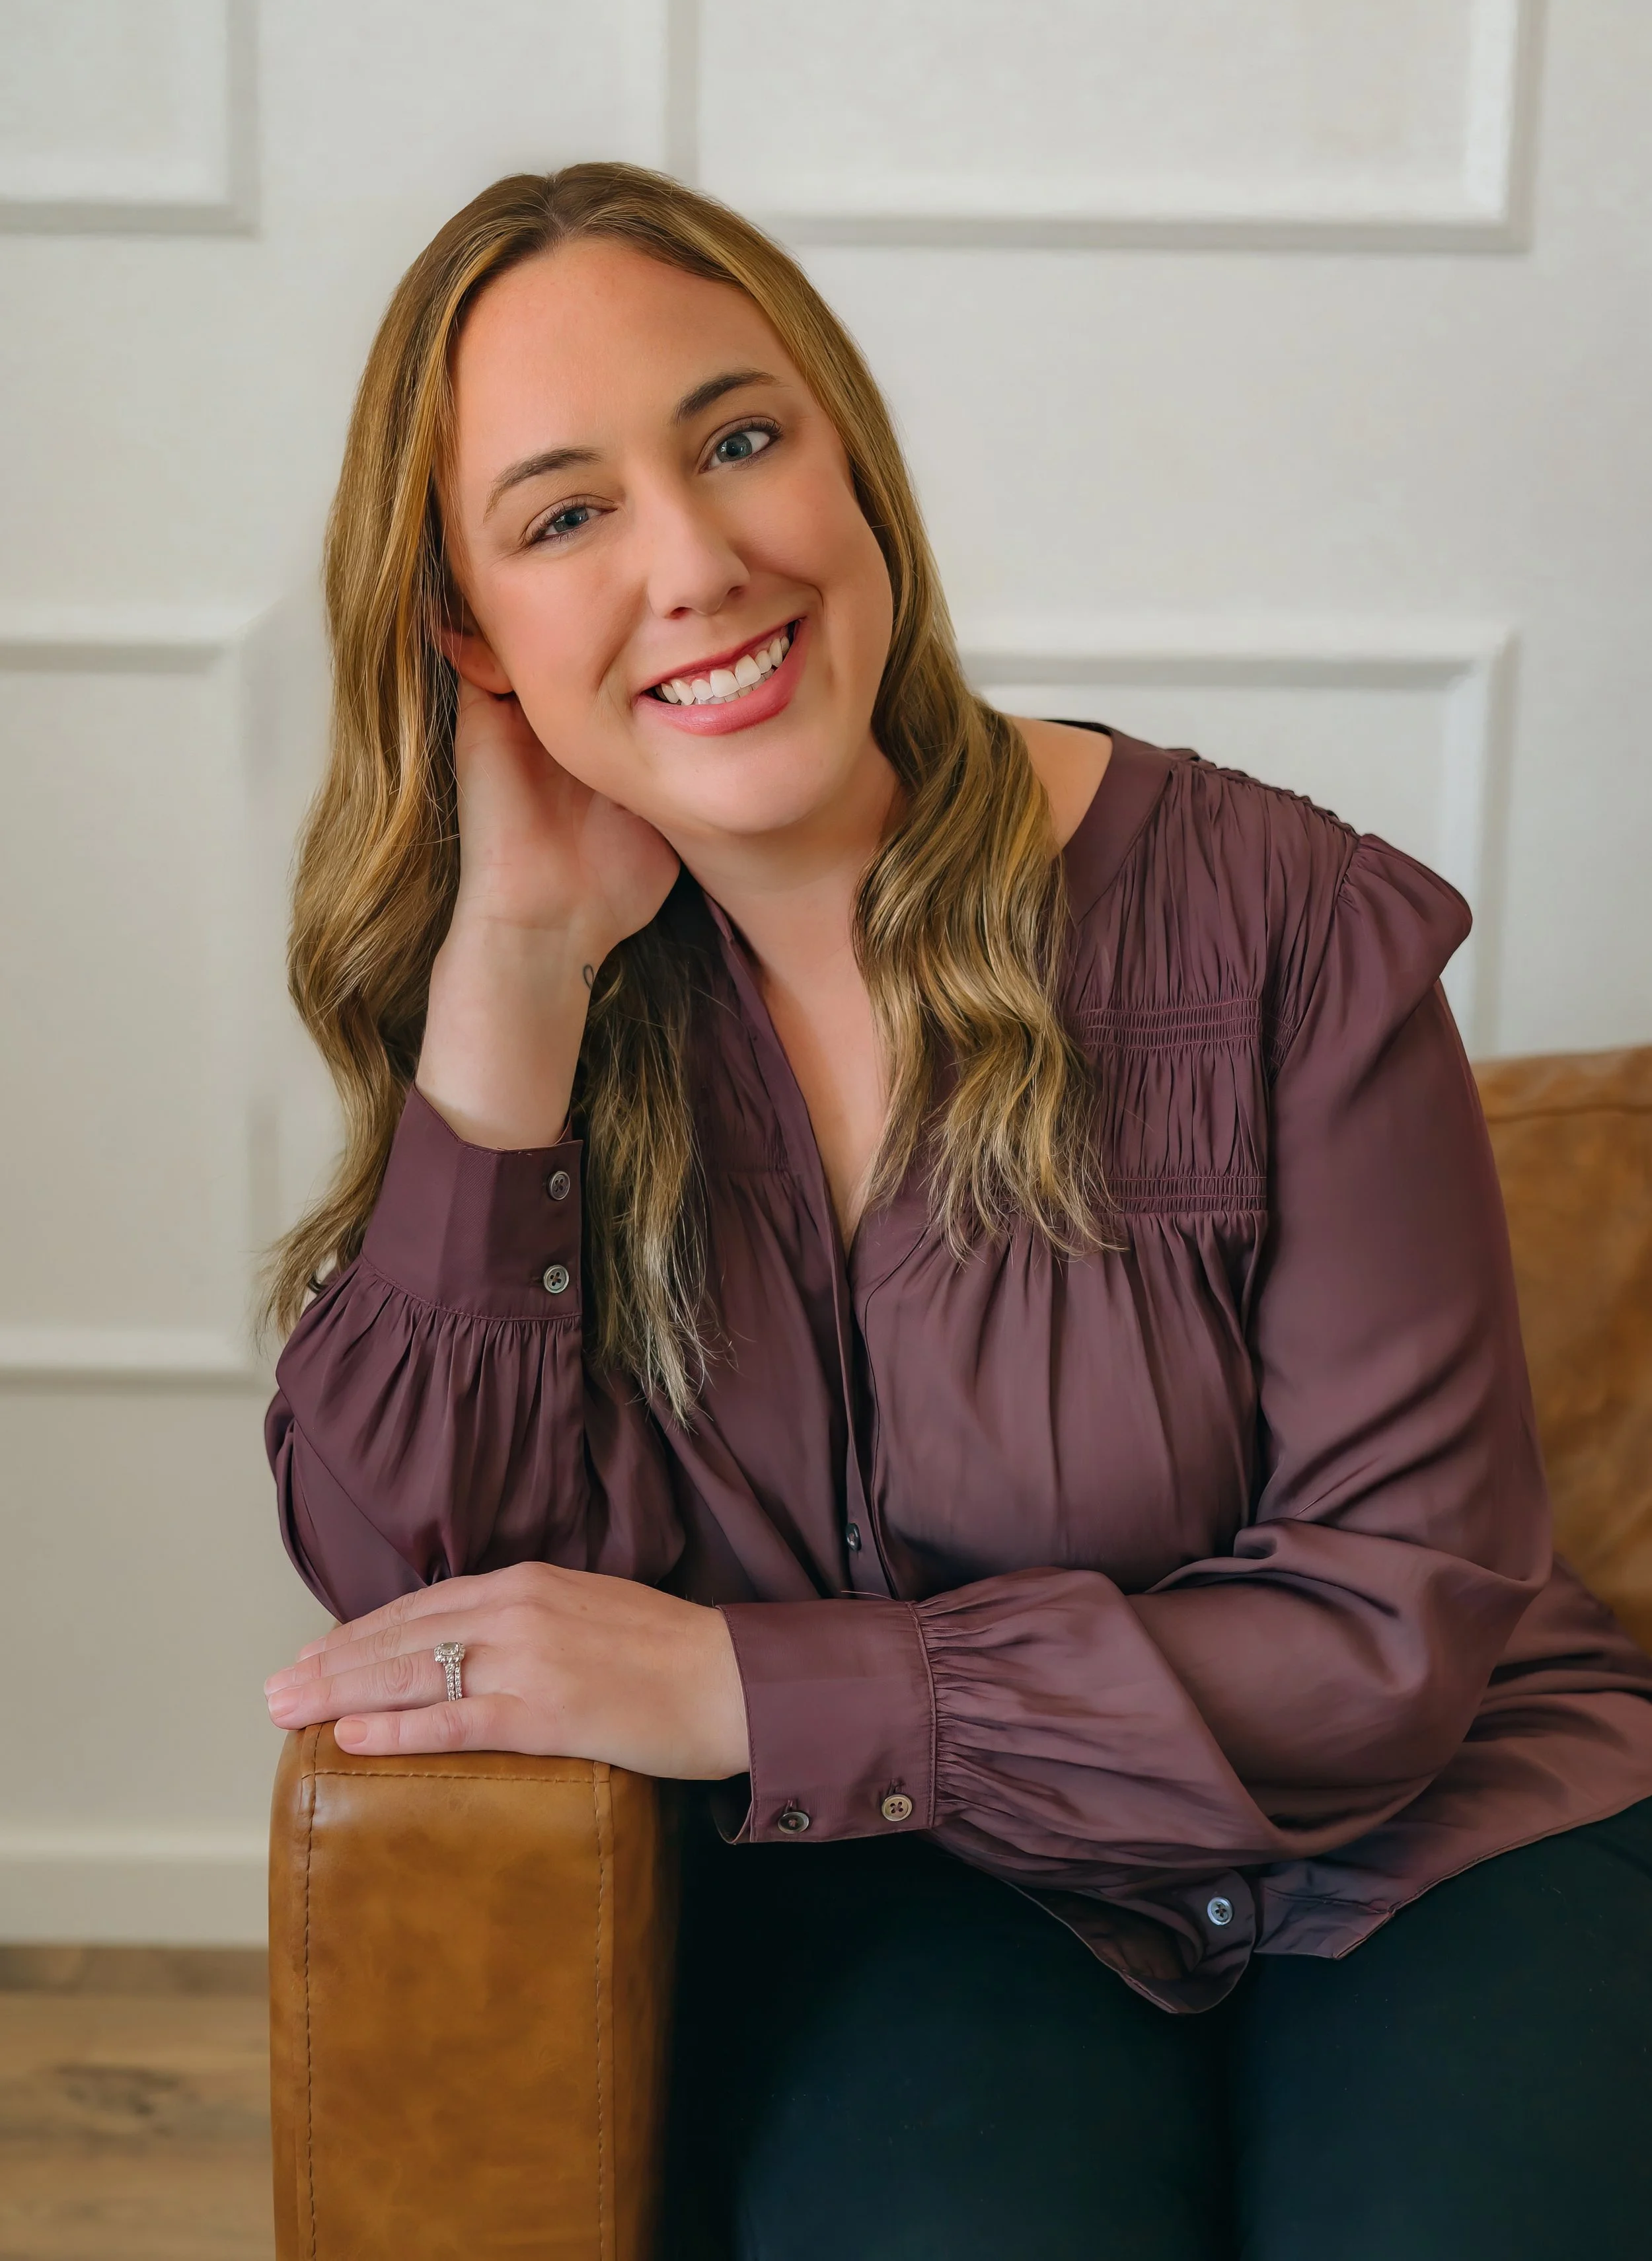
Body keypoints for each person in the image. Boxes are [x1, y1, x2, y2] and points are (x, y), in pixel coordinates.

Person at [261, 163, 1652, 2260]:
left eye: (741, 438)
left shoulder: (1281, 920)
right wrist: (512, 975)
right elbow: (422, 1594)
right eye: (565, 515)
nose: (703, 561)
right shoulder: (539, 1026)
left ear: (850, 462)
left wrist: (752, 1688)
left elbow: (1389, 1634)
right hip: (921, 1890)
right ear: (468, 637)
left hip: (1442, 1837)